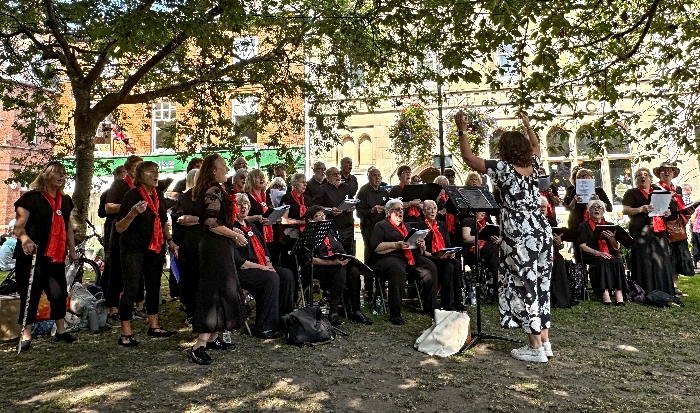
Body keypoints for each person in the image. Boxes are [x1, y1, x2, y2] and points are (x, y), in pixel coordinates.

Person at [456, 109, 553, 363]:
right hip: (541, 229)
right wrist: (528, 124)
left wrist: (462, 129)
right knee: (541, 284)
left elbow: (468, 158)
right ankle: (544, 340)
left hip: (519, 232)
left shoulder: (503, 169)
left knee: (524, 285)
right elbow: (535, 145)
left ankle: (534, 348)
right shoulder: (534, 165)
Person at [13, 161, 78, 350]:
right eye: (57, 173)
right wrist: (25, 240)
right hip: (33, 255)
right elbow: (18, 226)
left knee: (58, 293)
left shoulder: (65, 201)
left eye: (63, 174)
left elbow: (69, 228)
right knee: (30, 294)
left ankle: (61, 331)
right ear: (46, 175)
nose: (61, 176)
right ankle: (26, 335)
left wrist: (72, 250)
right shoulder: (31, 198)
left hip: (56, 256)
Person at [189, 154, 247, 364]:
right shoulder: (213, 190)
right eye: (223, 166)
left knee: (226, 292)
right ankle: (199, 346)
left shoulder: (217, 189)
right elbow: (211, 223)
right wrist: (235, 235)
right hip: (213, 249)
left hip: (220, 247)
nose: (226, 169)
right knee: (213, 295)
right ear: (213, 170)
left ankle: (213, 338)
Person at [114, 161, 178, 347]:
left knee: (154, 286)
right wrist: (133, 213)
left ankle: (154, 326)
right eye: (151, 171)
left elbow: (164, 222)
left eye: (157, 171)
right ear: (141, 176)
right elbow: (119, 227)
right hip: (133, 248)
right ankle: (125, 332)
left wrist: (170, 241)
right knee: (132, 288)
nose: (156, 174)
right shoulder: (131, 196)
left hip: (154, 247)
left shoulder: (158, 195)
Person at [233, 193, 295, 338]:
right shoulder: (232, 230)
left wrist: (268, 263)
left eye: (246, 204)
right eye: (239, 204)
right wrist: (263, 268)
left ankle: (284, 318)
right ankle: (264, 326)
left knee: (286, 275)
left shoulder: (251, 227)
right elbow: (237, 261)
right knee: (271, 278)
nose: (243, 207)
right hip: (243, 271)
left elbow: (264, 249)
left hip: (262, 266)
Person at [370, 198, 438, 325]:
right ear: (389, 212)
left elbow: (419, 248)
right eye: (397, 209)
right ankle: (395, 313)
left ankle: (429, 307)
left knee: (430, 267)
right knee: (397, 270)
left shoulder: (407, 226)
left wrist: (421, 244)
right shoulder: (381, 225)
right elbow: (376, 247)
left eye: (402, 209)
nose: (401, 212)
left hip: (410, 256)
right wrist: (396, 245)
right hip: (388, 257)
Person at [303, 205, 372, 325]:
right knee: (339, 271)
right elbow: (311, 259)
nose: (323, 217)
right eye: (319, 216)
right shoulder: (308, 234)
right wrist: (332, 262)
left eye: (323, 214)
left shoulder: (330, 231)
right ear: (310, 219)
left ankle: (356, 310)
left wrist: (344, 258)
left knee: (353, 270)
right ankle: (333, 311)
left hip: (336, 263)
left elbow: (340, 249)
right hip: (318, 267)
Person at [622, 167, 674, 296]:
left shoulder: (658, 191)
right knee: (643, 259)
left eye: (645, 175)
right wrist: (641, 209)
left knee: (661, 258)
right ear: (636, 180)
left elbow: (668, 207)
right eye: (639, 175)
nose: (642, 177)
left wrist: (668, 212)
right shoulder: (631, 193)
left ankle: (664, 289)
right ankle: (643, 290)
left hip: (658, 229)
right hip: (640, 230)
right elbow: (625, 210)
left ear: (650, 178)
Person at [104, 155, 144, 323]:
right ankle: (113, 307)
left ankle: (140, 305)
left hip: (138, 231)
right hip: (120, 230)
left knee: (139, 268)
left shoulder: (142, 186)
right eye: (137, 168)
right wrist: (129, 207)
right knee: (117, 268)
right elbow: (108, 207)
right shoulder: (120, 184)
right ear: (129, 169)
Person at [654, 162, 694, 296]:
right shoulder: (655, 188)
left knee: (676, 257)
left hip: (677, 227)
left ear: (673, 174)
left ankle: (675, 286)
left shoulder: (677, 190)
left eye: (669, 171)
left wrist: (688, 211)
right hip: (663, 227)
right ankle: (666, 286)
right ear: (659, 173)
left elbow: (681, 209)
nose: (666, 173)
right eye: (663, 170)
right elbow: (655, 208)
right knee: (667, 257)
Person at [577, 200, 627, 305]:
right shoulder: (583, 226)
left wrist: (612, 239)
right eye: (593, 207)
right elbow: (582, 246)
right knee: (602, 261)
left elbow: (617, 247)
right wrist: (599, 253)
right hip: (593, 254)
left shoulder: (610, 225)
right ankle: (605, 293)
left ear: (603, 211)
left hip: (610, 253)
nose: (596, 209)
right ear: (589, 211)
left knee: (617, 261)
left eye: (599, 207)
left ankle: (618, 292)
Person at [417, 200, 463, 310]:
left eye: (434, 208)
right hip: (429, 256)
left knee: (456, 263)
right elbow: (420, 250)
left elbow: (447, 244)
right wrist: (435, 256)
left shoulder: (441, 225)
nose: (432, 211)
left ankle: (458, 301)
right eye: (429, 209)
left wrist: (450, 253)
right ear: (424, 212)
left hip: (442, 255)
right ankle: (446, 303)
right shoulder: (421, 226)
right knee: (448, 266)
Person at [170, 169, 202, 324]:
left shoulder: (206, 197)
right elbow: (180, 219)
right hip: (188, 242)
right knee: (189, 277)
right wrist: (202, 220)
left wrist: (196, 219)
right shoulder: (184, 197)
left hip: (203, 241)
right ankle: (190, 311)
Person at [356, 167, 390, 299]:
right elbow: (358, 213)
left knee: (383, 254)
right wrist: (372, 210)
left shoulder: (384, 192)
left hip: (382, 229)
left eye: (379, 176)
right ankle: (369, 288)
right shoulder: (363, 192)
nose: (377, 178)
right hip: (369, 228)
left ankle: (381, 286)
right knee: (370, 255)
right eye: (374, 175)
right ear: (369, 177)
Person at [541, 197, 575, 308]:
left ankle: (561, 299)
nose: (541, 209)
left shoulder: (552, 222)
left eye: (544, 207)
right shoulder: (528, 222)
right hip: (535, 254)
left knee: (559, 261)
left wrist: (559, 242)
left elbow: (559, 247)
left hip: (552, 252)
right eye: (539, 207)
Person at [313, 166, 356, 255]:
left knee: (349, 253)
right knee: (336, 252)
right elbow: (316, 207)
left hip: (347, 226)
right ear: (328, 177)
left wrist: (352, 206)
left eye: (339, 174)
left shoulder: (346, 187)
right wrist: (329, 210)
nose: (338, 176)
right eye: (335, 174)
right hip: (333, 227)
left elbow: (352, 201)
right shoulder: (322, 189)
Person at [97, 165, 127, 289]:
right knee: (111, 258)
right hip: (111, 226)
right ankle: (106, 287)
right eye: (123, 173)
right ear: (116, 175)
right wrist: (122, 207)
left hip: (126, 228)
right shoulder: (107, 193)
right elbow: (101, 212)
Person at [280, 173, 310, 278]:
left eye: (306, 182)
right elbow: (283, 220)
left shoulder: (306, 199)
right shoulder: (287, 198)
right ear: (294, 183)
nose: (305, 184)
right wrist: (300, 222)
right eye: (302, 182)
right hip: (291, 236)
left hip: (305, 235)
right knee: (293, 266)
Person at [244, 169, 277, 264]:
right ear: (251, 179)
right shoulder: (246, 196)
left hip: (269, 235)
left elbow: (271, 210)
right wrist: (255, 218)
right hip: (255, 233)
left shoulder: (266, 195)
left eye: (263, 176)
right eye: (258, 176)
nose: (262, 178)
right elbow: (238, 217)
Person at [461, 211, 501, 289]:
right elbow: (466, 238)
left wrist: (497, 239)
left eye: (484, 212)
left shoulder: (487, 222)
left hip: (489, 245)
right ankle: (497, 283)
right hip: (474, 249)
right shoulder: (468, 221)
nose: (483, 214)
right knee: (494, 250)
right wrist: (482, 238)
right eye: (481, 211)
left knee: (498, 248)